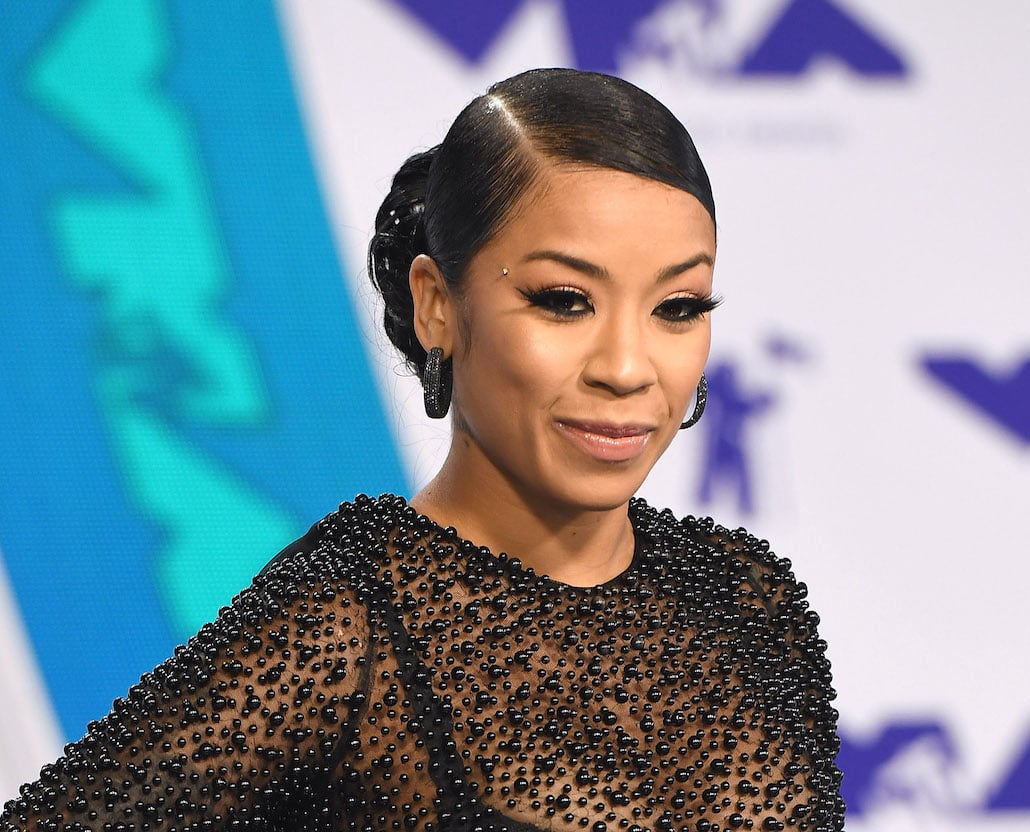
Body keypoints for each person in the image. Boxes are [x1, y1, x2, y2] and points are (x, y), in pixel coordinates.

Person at [2, 68, 843, 832]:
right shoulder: (349, 626)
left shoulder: (747, 597)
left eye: (679, 307)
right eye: (564, 300)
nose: (627, 368)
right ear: (437, 303)